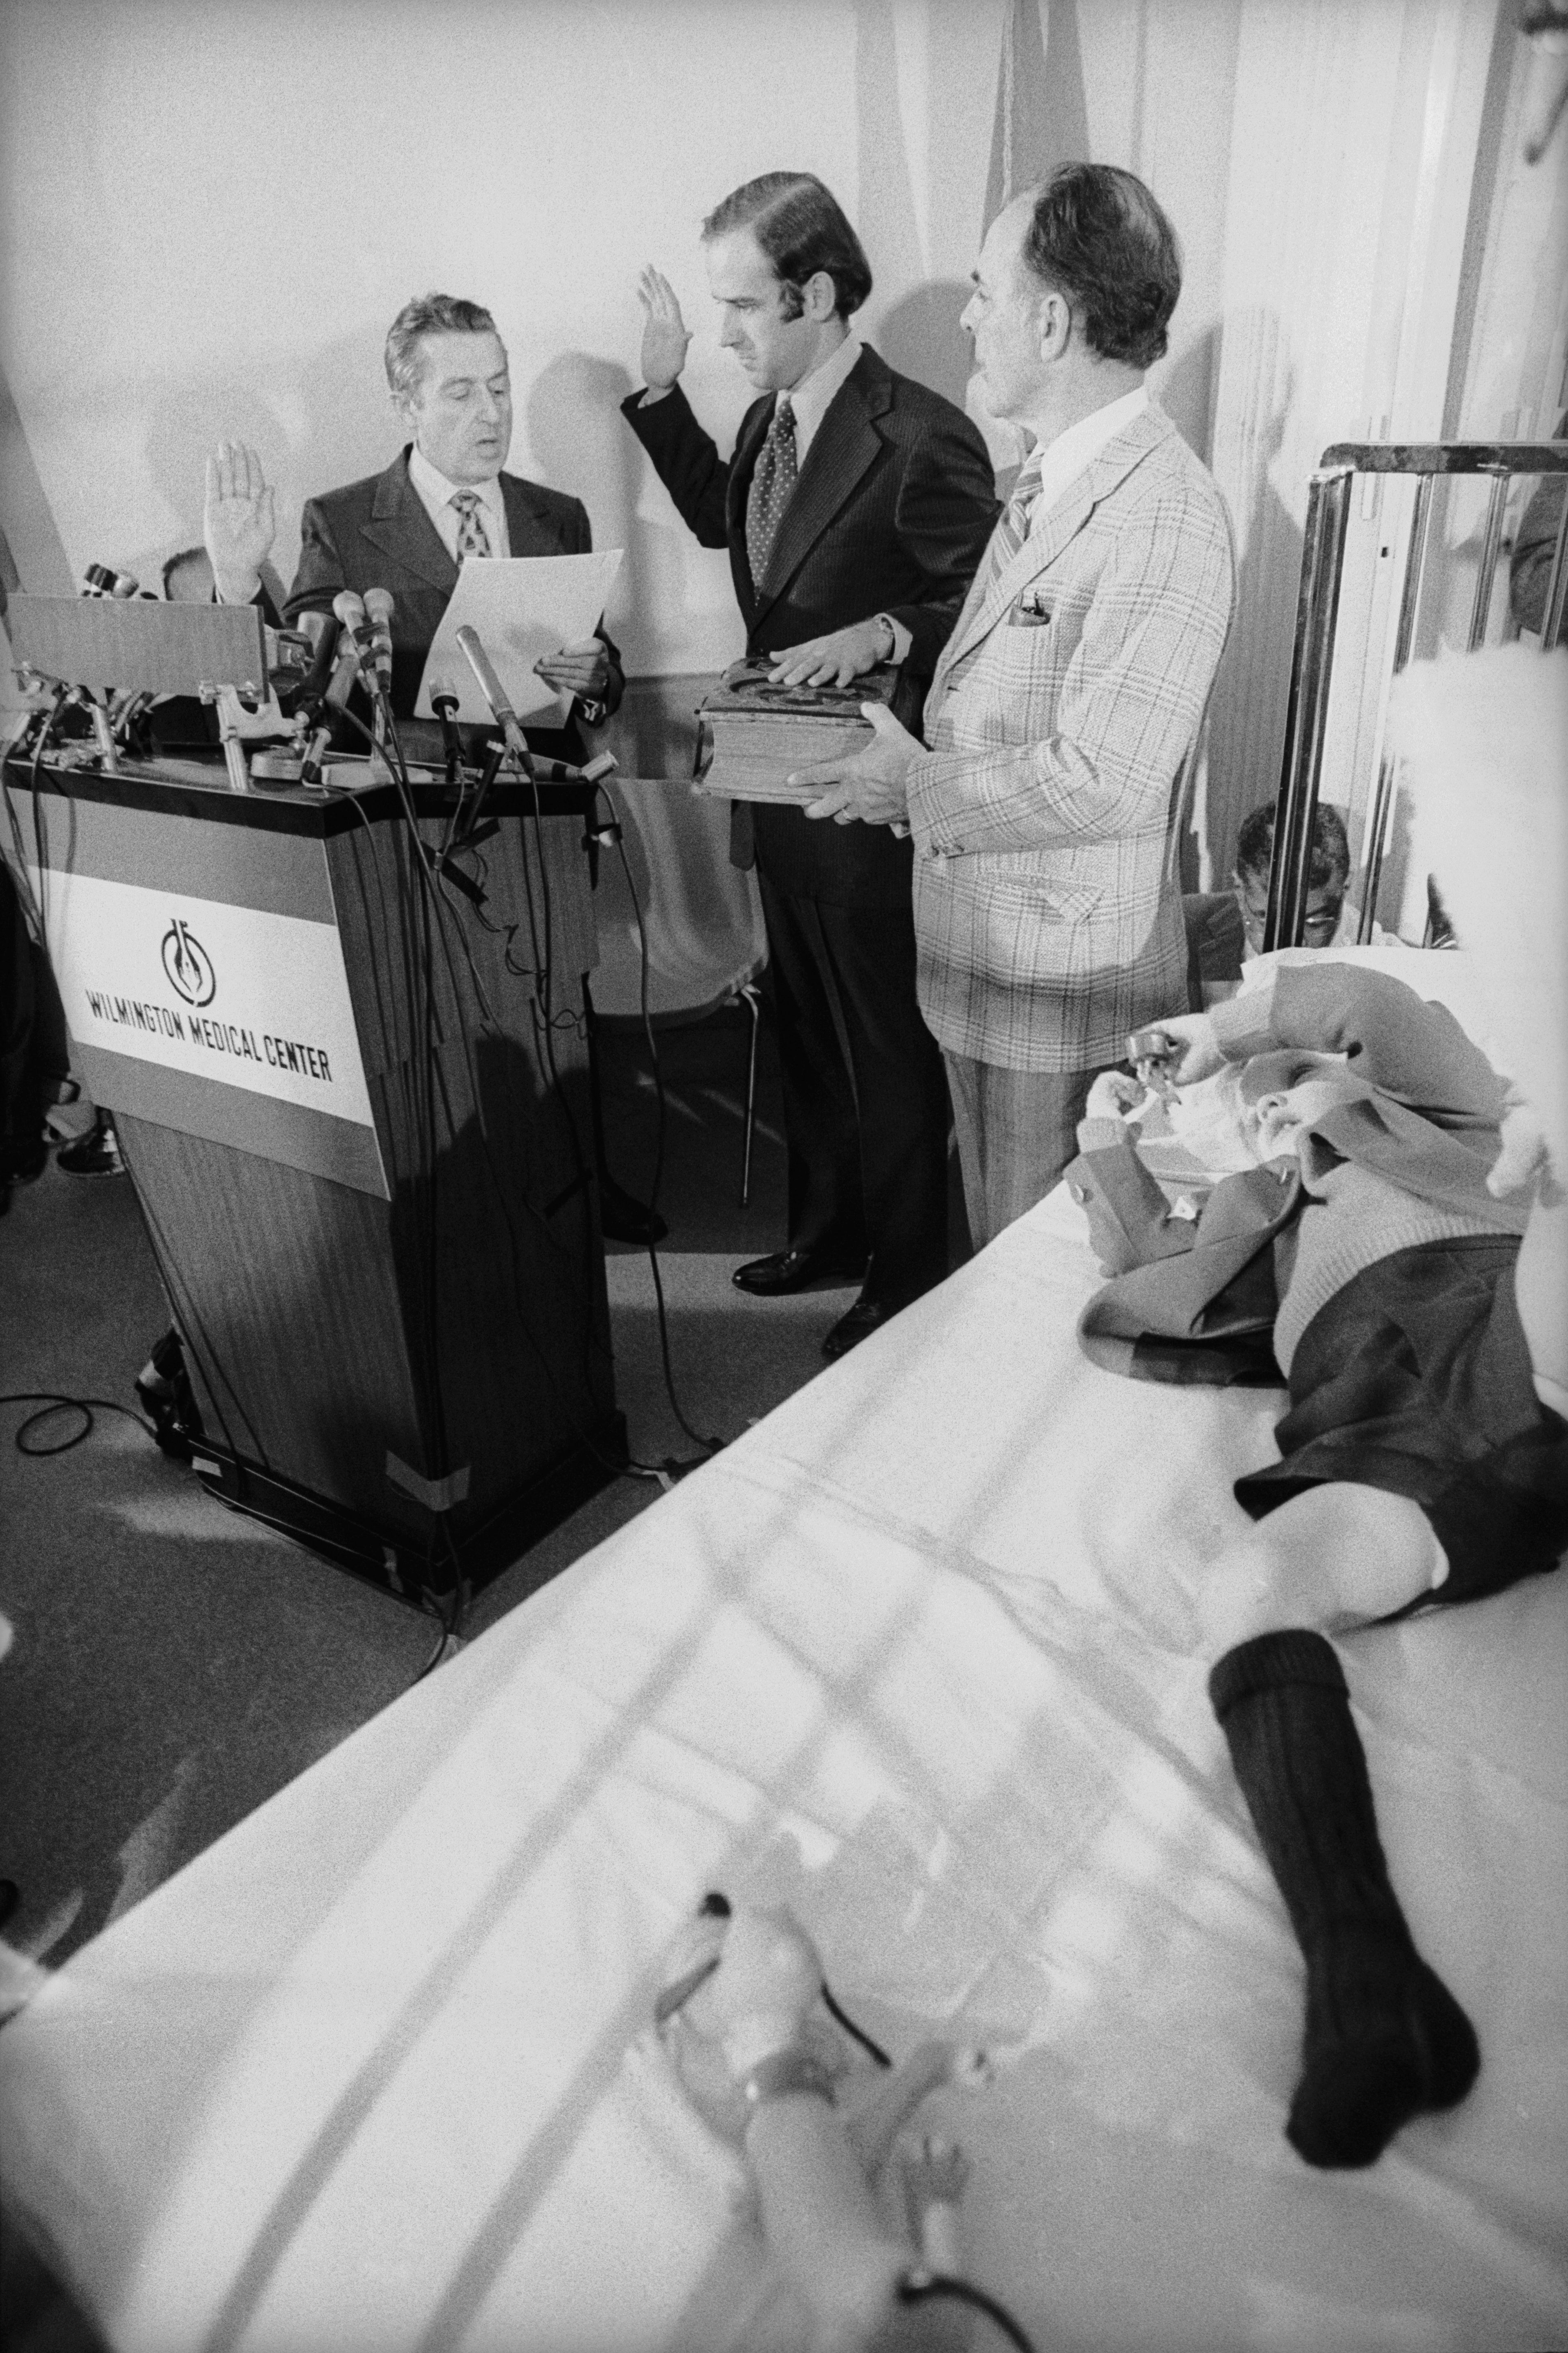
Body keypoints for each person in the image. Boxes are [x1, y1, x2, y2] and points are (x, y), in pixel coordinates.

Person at [1064, 961, 1568, 2167]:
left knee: (1552, 1238)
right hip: (1394, 1427)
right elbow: (1139, 1255)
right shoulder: (1247, 1229)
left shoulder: (1445, 1117)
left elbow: (1370, 1009)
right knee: (1248, 1592)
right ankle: (1366, 1975)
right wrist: (1107, 1129)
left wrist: (1227, 1030)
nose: (1258, 1104)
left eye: (1270, 1089)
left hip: (1494, 1307)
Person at [792, 165, 1236, 1251]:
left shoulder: (1163, 515)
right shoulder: (1051, 477)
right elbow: (1002, 688)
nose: (965, 316)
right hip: (984, 962)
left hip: (1062, 987)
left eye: (985, 291)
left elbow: (1108, 780)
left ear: (1051, 320)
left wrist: (916, 782)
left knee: (1042, 1289)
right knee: (995, 1257)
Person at [622, 174, 998, 1358]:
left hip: (869, 793)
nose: (726, 331)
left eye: (740, 308)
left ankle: (905, 1269)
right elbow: (731, 530)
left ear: (818, 294)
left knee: (884, 1044)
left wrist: (885, 635)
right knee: (801, 1027)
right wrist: (658, 387)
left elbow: (976, 605)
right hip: (777, 785)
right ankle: (831, 1230)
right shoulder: (765, 419)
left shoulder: (923, 434)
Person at [204, 295, 660, 1242]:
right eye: (460, 394)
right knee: (453, 1027)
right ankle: (475, 1203)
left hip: (544, 811)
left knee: (560, 1006)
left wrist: (592, 675)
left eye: (498, 387)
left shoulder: (555, 513)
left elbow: (599, 667)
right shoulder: (342, 520)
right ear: (406, 407)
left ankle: (582, 1181)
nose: (491, 413)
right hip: (416, 831)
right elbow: (306, 687)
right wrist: (242, 585)